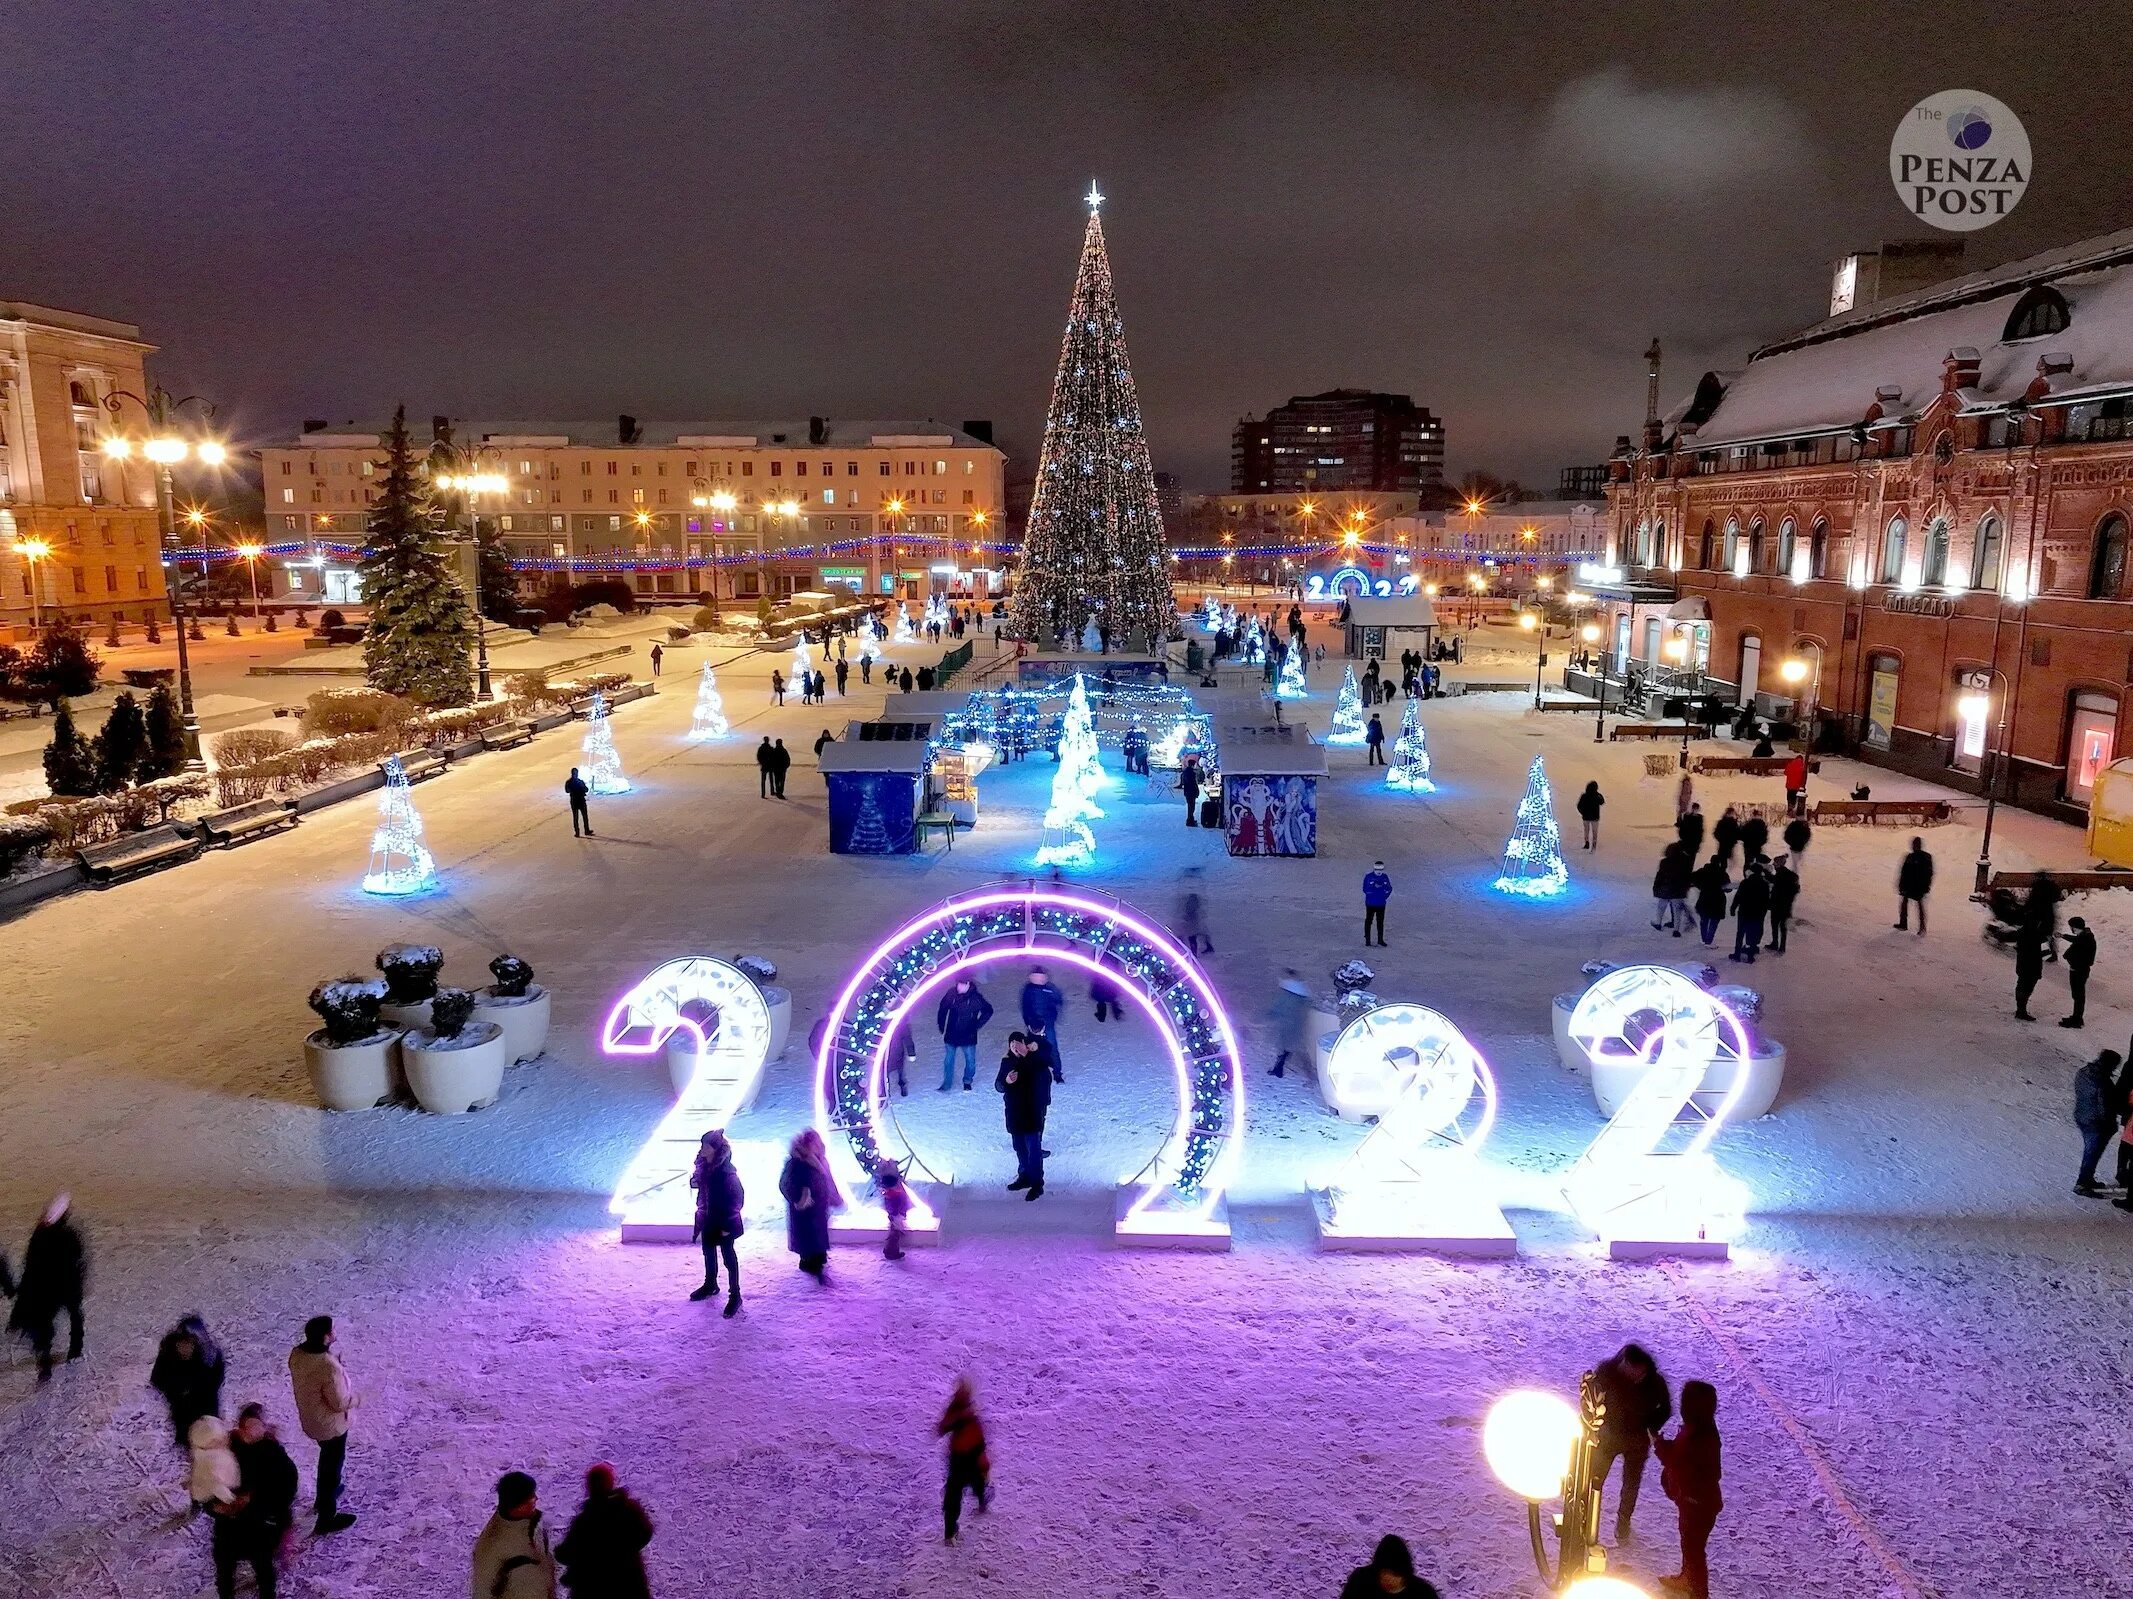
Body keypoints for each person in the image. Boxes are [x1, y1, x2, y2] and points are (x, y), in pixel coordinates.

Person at [212, 1404, 298, 1599]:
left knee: (263, 1569)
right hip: (228, 1527)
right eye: (247, 1425)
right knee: (225, 1571)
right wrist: (215, 1507)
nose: (251, 1431)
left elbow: (286, 1490)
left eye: (257, 1425)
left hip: (259, 1528)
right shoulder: (225, 1451)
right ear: (239, 1426)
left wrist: (253, 1501)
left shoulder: (274, 1455)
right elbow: (209, 1486)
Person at [1590, 1342, 1673, 1544]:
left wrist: (1650, 1427)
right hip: (1609, 1437)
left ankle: (1623, 1521)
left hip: (1636, 1441)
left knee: (1631, 1484)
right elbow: (1592, 1397)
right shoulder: (1607, 1372)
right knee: (1595, 1478)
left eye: (1634, 1369)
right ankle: (1586, 1517)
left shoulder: (1655, 1383)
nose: (1629, 1371)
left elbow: (1666, 1409)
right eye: (1627, 1365)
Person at [287, 1314, 358, 1534]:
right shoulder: (327, 1366)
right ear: (326, 1337)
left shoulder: (298, 1354)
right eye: (332, 1330)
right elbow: (339, 1403)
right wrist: (358, 1399)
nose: (335, 1332)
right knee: (331, 1465)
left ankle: (326, 1495)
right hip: (331, 1426)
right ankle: (327, 1515)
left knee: (327, 1459)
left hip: (311, 1420)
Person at [1654, 1380, 1723, 1598]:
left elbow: (1675, 1459)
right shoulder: (1703, 1431)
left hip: (1696, 1505)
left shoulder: (1695, 1438)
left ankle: (1698, 1592)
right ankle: (1687, 1578)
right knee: (1690, 1545)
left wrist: (1659, 1445)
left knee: (1694, 1551)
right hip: (1697, 1503)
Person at [10, 1192, 85, 1383]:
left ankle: (47, 1359)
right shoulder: (69, 1235)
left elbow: (30, 1264)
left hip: (46, 1288)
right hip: (63, 1287)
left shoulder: (40, 1234)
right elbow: (78, 1263)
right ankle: (75, 1348)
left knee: (46, 1324)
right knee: (74, 1314)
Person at [555, 1463, 653, 1599]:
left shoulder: (585, 1520)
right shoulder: (629, 1510)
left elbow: (566, 1554)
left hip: (592, 1589)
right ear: (611, 1482)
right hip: (630, 1585)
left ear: (589, 1487)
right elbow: (645, 1533)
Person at [472, 1471, 558, 1599]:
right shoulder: (491, 1547)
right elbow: (482, 1593)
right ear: (516, 1505)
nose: (536, 1498)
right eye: (530, 1497)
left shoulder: (537, 1522)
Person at [687, 1129, 744, 1315]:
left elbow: (737, 1200)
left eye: (706, 1145)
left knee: (728, 1256)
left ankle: (735, 1294)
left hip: (723, 1221)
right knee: (708, 1252)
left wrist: (728, 1225)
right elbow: (702, 1190)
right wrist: (695, 1181)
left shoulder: (727, 1173)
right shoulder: (704, 1167)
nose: (702, 1149)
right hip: (707, 1219)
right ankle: (710, 1283)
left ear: (715, 1148)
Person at [151, 1314, 227, 1448]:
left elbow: (215, 1383)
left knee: (208, 1444)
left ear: (196, 1343)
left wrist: (192, 1388)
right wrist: (177, 1390)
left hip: (206, 1410)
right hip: (181, 1410)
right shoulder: (168, 1353)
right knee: (187, 1443)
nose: (183, 1348)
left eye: (188, 1343)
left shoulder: (210, 1357)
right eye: (181, 1343)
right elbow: (156, 1379)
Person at [778, 1128, 840, 1280]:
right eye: (813, 1144)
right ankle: (809, 1263)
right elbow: (784, 1184)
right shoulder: (796, 1162)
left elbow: (828, 1180)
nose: (816, 1146)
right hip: (804, 1210)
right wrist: (798, 1199)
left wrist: (834, 1197)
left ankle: (818, 1259)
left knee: (818, 1235)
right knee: (807, 1236)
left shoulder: (821, 1160)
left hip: (819, 1207)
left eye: (817, 1143)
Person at [997, 1033, 1051, 1199]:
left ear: (1024, 1044)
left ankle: (1037, 1184)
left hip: (1032, 1113)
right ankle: (1024, 1177)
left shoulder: (1036, 1061)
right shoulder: (1007, 1062)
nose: (1014, 1045)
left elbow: (1044, 1077)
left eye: (1017, 1042)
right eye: (1011, 1042)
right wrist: (1006, 1081)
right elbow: (998, 1085)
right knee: (1020, 1149)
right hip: (1014, 1114)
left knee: (1033, 1151)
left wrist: (1028, 1055)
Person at [937, 1377, 990, 1544]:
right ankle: (950, 1532)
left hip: (963, 1456)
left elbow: (942, 1429)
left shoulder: (963, 1409)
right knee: (956, 1493)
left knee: (961, 1490)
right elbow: (943, 1428)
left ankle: (950, 1532)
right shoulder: (959, 1410)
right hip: (964, 1457)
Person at [2075, 1051, 2123, 1196]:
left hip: (2082, 1117)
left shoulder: (2083, 1072)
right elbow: (2105, 1107)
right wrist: (2110, 1125)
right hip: (2096, 1123)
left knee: (2090, 1152)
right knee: (2092, 1153)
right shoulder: (2103, 1082)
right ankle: (2082, 1184)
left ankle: (2087, 1179)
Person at [936, 975, 994, 1090]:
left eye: (962, 984)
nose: (959, 987)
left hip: (968, 1035)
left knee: (970, 1060)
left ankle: (967, 1080)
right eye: (958, 984)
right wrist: (941, 1024)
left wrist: (976, 1025)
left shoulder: (975, 998)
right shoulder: (951, 994)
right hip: (952, 1034)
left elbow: (988, 1010)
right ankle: (947, 1084)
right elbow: (943, 1009)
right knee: (948, 1060)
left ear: (968, 984)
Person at [1338, 1534, 1440, 1599]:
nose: (1390, 1579)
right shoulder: (1361, 1582)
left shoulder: (1422, 1592)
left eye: (1395, 1574)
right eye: (1385, 1573)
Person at [1019, 965, 1066, 1083]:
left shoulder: (1050, 989)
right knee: (1032, 1049)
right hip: (1033, 1025)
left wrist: (1052, 1017)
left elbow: (1058, 1000)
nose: (1038, 979)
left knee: (1052, 1048)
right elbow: (1025, 1007)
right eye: (1036, 977)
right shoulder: (1028, 990)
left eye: (1041, 977)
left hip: (1047, 1024)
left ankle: (1057, 1073)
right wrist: (1029, 1022)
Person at [189, 1414, 240, 1515]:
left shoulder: (205, 1451)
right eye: (217, 1440)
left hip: (216, 1486)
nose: (224, 1440)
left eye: (224, 1436)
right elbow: (215, 1484)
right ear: (207, 1444)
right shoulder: (211, 1460)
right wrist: (230, 1499)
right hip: (212, 1494)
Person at [1269, 969, 1312, 1078]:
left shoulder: (1286, 994)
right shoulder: (1302, 994)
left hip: (1285, 1023)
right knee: (1288, 1046)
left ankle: (1278, 1068)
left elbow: (1278, 1007)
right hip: (1296, 1023)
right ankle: (1278, 1068)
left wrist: (1270, 1014)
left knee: (1282, 1046)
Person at [1729, 858, 1770, 963]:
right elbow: (1766, 900)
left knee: (1740, 933)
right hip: (1757, 913)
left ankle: (1737, 954)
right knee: (1753, 934)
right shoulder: (1764, 884)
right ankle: (1750, 956)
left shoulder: (1745, 882)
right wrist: (1763, 912)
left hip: (1744, 911)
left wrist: (1733, 907)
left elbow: (1738, 896)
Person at [1651, 843, 1693, 937]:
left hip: (1665, 888)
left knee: (1661, 907)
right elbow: (1687, 876)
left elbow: (1660, 875)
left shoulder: (1664, 862)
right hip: (1678, 890)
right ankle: (1676, 930)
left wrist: (1656, 886)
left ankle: (1658, 923)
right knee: (1677, 911)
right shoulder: (1685, 862)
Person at [2063, 916, 2098, 1028]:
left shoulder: (2084, 939)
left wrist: (2068, 956)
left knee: (2078, 995)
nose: (2071, 929)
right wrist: (2063, 936)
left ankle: (2077, 1019)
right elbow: (2076, 940)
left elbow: (2075, 949)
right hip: (2080, 969)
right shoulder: (2085, 936)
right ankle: (2076, 1017)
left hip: (2078, 970)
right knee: (2078, 995)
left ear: (2075, 927)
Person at [1895, 836, 1933, 934]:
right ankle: (1905, 923)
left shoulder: (1923, 857)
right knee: (1907, 905)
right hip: (1910, 885)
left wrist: (1926, 886)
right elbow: (1904, 872)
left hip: (1918, 886)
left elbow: (1928, 874)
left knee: (1918, 907)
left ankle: (1921, 927)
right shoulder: (1912, 857)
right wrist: (1901, 884)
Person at [1691, 857, 1731, 947]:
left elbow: (1692, 879)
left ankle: (1704, 938)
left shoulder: (1702, 871)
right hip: (1718, 899)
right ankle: (1709, 940)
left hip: (1704, 897)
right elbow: (1728, 888)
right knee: (1714, 921)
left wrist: (1701, 886)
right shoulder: (1722, 873)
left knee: (1704, 919)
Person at [879, 1159, 913, 1261]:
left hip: (896, 1214)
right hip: (896, 1214)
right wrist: (897, 1213)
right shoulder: (894, 1193)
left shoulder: (890, 1192)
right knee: (895, 1234)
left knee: (894, 1232)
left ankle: (889, 1250)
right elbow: (897, 1204)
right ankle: (891, 1252)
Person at [2014, 921, 2048, 1022]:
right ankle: (2022, 1011)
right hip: (2033, 967)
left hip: (2022, 965)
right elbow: (2047, 955)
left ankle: (2019, 1009)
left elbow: (2015, 946)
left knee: (2020, 986)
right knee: (2028, 989)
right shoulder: (2040, 935)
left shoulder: (2020, 932)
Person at [1768, 855, 1800, 953]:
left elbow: (1774, 888)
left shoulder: (1778, 876)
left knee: (1775, 925)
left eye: (1775, 863)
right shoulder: (1792, 876)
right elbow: (1797, 889)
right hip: (1787, 906)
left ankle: (1774, 943)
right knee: (1783, 927)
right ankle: (1782, 947)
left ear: (1779, 864)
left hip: (1777, 905)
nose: (1773, 864)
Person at [1177, 870, 1212, 954]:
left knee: (1192, 935)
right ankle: (1204, 948)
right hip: (1194, 919)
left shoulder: (1190, 906)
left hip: (1192, 920)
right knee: (1196, 934)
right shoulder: (1196, 900)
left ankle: (1195, 952)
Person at [1362, 861, 1392, 947]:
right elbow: (1365, 889)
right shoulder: (1369, 877)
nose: (1379, 871)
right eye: (1377, 869)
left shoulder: (1385, 877)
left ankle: (1380, 940)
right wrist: (1377, 890)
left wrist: (1384, 896)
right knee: (1369, 921)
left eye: (1381, 869)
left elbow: (1389, 889)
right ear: (1374, 869)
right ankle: (1367, 940)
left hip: (1381, 903)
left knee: (1380, 922)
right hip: (1371, 903)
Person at [1576, 781, 1605, 850]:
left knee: (1586, 830)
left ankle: (1587, 843)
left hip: (1586, 817)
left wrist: (1582, 813)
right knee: (1594, 831)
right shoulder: (1597, 796)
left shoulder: (1584, 796)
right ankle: (1594, 844)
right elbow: (1602, 802)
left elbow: (1579, 805)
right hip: (1595, 817)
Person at [564, 768, 593, 838]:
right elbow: (567, 790)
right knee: (579, 817)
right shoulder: (578, 781)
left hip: (576, 800)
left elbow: (586, 789)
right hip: (579, 800)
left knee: (579, 817)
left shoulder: (570, 782)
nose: (575, 774)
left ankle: (580, 831)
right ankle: (583, 831)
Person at [1781, 813, 1812, 877]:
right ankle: (1795, 874)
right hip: (1797, 847)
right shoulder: (1803, 826)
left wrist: (1791, 842)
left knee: (1796, 862)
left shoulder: (1794, 825)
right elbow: (1808, 836)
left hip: (1796, 847)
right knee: (1796, 862)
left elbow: (1786, 836)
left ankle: (1795, 872)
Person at [1782, 750, 1809, 815]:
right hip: (1797, 786)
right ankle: (1794, 810)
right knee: (1795, 798)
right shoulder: (1802, 767)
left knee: (1789, 798)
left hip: (1789, 785)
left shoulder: (1790, 764)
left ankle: (1789, 809)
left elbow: (1785, 772)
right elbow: (1803, 777)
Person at [1181, 753, 1203, 827]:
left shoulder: (1186, 771)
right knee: (1191, 807)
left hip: (1188, 791)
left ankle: (1191, 819)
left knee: (1190, 806)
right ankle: (1190, 820)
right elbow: (1193, 783)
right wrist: (1196, 791)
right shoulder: (1191, 773)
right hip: (1191, 791)